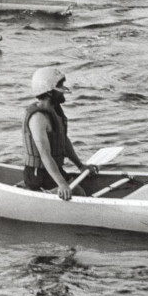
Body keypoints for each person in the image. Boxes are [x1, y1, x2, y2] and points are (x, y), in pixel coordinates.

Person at [22, 67, 95, 200]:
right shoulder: (38, 118)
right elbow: (45, 155)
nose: (64, 91)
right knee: (78, 193)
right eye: (60, 86)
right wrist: (62, 184)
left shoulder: (54, 110)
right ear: (50, 92)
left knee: (79, 190)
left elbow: (63, 140)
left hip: (53, 171)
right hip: (38, 176)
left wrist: (81, 166)